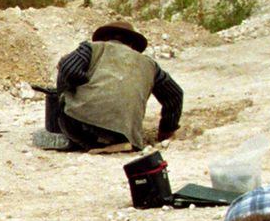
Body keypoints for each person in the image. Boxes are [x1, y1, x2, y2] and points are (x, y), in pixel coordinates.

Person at [33, 22, 183, 152]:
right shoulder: (150, 65)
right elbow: (175, 94)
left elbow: (68, 68)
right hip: (125, 135)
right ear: (132, 44)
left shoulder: (91, 48)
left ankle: (85, 143)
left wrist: (84, 84)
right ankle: (114, 143)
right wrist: (166, 130)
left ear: (105, 38)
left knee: (63, 107)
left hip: (80, 126)